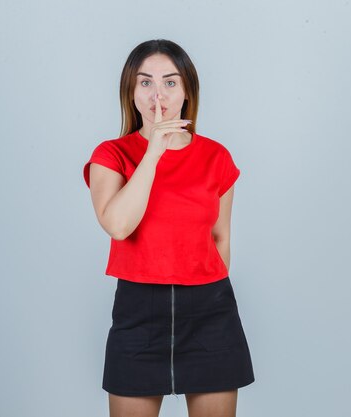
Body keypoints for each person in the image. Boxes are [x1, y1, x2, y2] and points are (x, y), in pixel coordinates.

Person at [82, 39, 255, 417]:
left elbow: (221, 237)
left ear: (187, 92)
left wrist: (207, 289)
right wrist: (154, 151)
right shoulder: (111, 154)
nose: (157, 93)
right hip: (138, 313)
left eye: (170, 82)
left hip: (210, 313)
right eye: (145, 82)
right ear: (131, 93)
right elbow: (118, 225)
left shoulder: (216, 156)